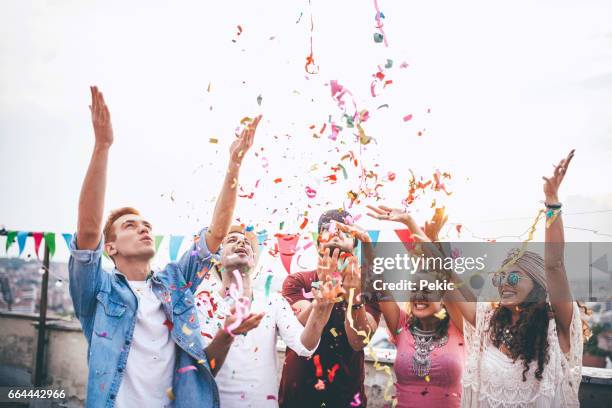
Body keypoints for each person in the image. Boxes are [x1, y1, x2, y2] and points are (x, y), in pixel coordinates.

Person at [68, 86, 261, 407]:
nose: (143, 228)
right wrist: (102, 146)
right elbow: (88, 232)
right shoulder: (97, 291)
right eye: (130, 225)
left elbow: (216, 234)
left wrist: (234, 165)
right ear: (111, 248)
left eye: (146, 225)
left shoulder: (176, 282)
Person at [445, 150, 584, 407]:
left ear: (537, 282)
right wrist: (418, 232)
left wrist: (552, 202)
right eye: (499, 277)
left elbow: (554, 264)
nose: (503, 283)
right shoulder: (488, 322)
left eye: (513, 276)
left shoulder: (558, 326)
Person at [195, 225, 338, 407]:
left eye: (246, 242)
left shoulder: (273, 301)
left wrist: (320, 310)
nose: (241, 242)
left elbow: (304, 345)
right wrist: (228, 333)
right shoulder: (202, 304)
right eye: (232, 240)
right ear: (217, 259)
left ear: (253, 259)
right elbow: (202, 369)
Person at [278, 209, 381, 408]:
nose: (335, 234)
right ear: (318, 244)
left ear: (354, 244)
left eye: (344, 231)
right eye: (328, 230)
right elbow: (299, 332)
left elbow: (359, 341)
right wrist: (323, 293)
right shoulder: (297, 281)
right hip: (298, 397)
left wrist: (353, 296)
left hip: (345, 398)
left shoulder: (369, 286)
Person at [365, 205, 466, 407]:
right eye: (414, 288)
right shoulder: (401, 324)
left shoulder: (460, 325)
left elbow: (445, 273)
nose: (419, 295)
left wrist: (411, 223)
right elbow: (380, 283)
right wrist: (367, 244)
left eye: (427, 289)